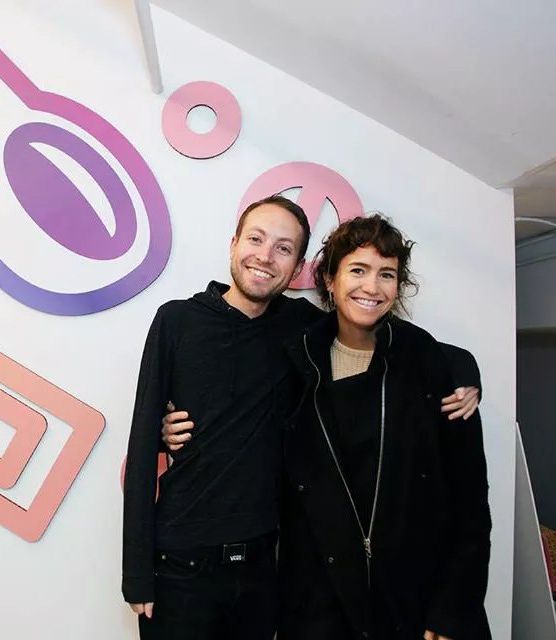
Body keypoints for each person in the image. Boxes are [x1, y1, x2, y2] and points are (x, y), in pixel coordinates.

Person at [123, 196, 480, 640]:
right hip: (180, 562)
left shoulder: (301, 328)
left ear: (297, 269)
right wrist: (136, 571)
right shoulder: (177, 320)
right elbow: (142, 445)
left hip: (262, 566)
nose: (265, 256)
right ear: (234, 243)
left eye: (283, 248)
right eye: (256, 239)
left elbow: (391, 332)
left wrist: (465, 372)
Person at [277, 215, 491, 640]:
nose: (372, 287)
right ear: (330, 280)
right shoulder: (297, 363)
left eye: (386, 274)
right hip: (323, 606)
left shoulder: (435, 370)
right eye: (358, 270)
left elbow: (470, 507)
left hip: (413, 603)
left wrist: (451, 612)